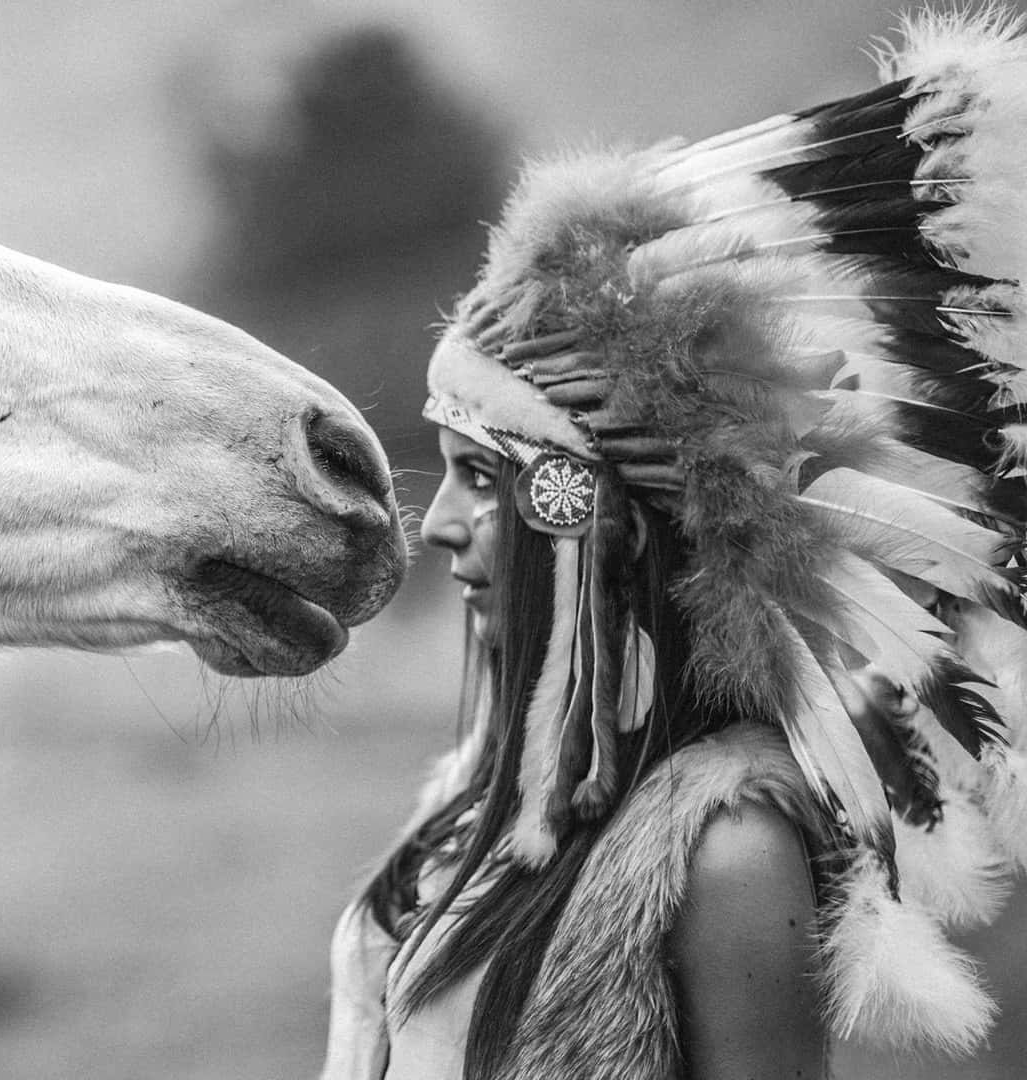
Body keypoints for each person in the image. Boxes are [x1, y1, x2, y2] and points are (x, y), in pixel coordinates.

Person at [321, 10, 1027, 1079]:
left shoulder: (727, 848)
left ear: (581, 507)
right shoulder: (488, 786)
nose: (440, 526)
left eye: (482, 479)